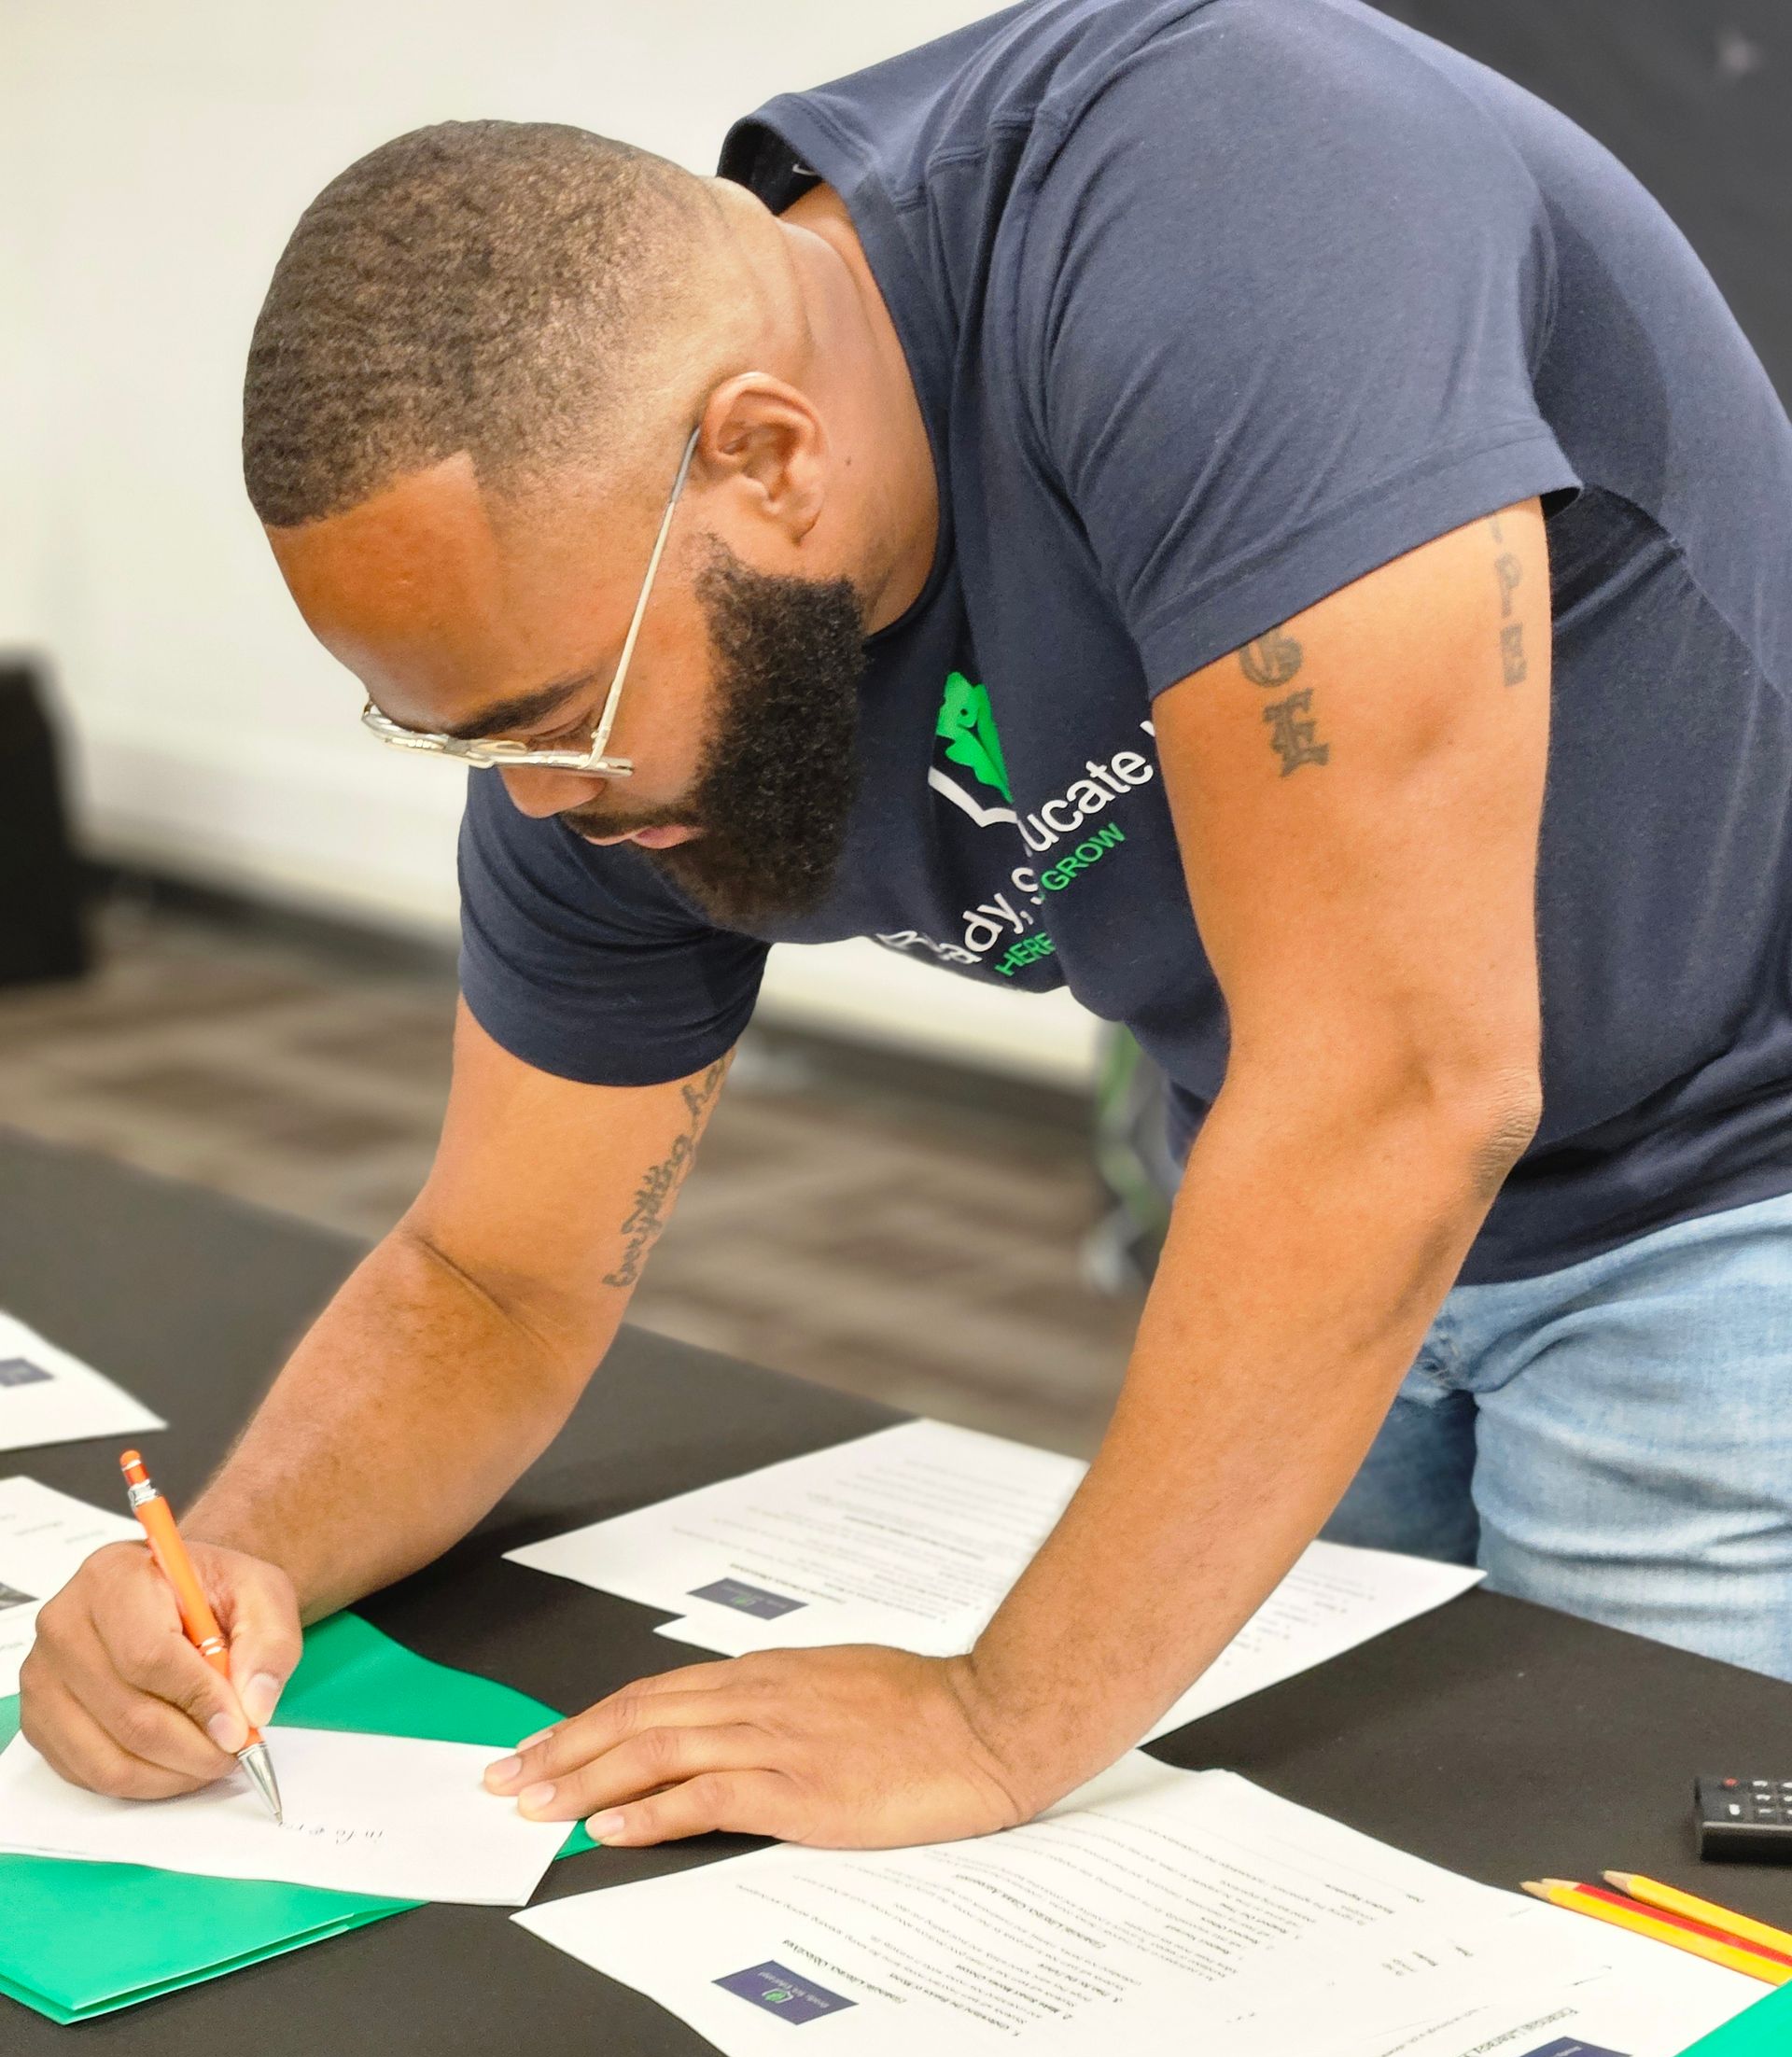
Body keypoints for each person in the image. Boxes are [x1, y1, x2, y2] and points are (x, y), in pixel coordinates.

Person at [23, 0, 1792, 1847]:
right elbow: (504, 1268)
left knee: (1654, 1945)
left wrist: (999, 1714)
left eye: (550, 717)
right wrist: (231, 1563)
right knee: (1335, 1899)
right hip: (1294, 1190)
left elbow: (1409, 1080)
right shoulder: (589, 644)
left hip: (1720, 1178)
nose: (543, 799)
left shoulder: (1237, 216)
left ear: (769, 454)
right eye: (465, 736)